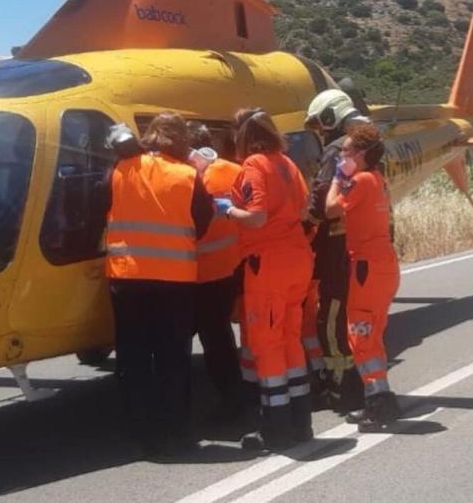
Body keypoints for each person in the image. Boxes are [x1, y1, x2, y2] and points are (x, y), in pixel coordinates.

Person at [104, 112, 215, 457]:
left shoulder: (121, 168)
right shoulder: (187, 175)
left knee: (133, 355)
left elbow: (98, 205)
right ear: (182, 139)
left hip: (127, 276)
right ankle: (176, 430)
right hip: (175, 279)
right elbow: (204, 219)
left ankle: (139, 430)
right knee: (172, 358)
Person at [223, 108, 315, 452]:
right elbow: (304, 209)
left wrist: (228, 210)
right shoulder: (287, 163)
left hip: (269, 263)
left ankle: (276, 426)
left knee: (267, 342)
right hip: (297, 258)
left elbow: (257, 216)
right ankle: (300, 422)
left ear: (243, 135)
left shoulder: (254, 165)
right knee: (290, 338)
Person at [324, 123, 402, 431]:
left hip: (366, 267)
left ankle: (378, 403)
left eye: (346, 151)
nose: (341, 155)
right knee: (374, 334)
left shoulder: (360, 181)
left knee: (360, 335)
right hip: (384, 265)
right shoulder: (378, 179)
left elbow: (331, 209)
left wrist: (337, 178)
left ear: (361, 154)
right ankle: (377, 396)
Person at [304, 88, 370, 411]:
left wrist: (305, 222)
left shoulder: (335, 152)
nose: (319, 131)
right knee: (355, 317)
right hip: (362, 248)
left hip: (336, 251)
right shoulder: (366, 150)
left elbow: (321, 199)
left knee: (330, 318)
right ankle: (359, 382)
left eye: (319, 124)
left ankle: (341, 387)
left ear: (330, 118)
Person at [187, 121, 244, 421]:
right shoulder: (236, 171)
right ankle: (241, 392)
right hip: (235, 265)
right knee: (224, 335)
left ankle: (229, 401)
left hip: (202, 272)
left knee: (211, 339)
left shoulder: (190, 178)